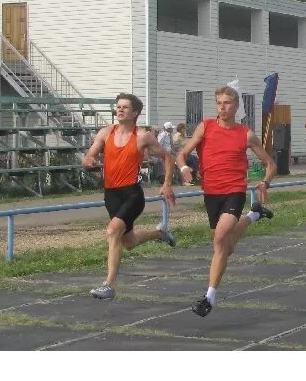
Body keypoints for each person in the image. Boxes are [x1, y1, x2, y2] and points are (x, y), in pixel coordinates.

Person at [177, 85, 276, 318]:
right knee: (225, 247)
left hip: (234, 190)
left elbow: (270, 164)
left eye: (227, 103)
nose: (222, 107)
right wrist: (183, 168)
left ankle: (209, 297)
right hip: (211, 193)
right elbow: (181, 154)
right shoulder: (206, 127)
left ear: (236, 106)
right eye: (219, 103)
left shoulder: (246, 134)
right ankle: (254, 215)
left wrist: (264, 182)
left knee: (221, 238)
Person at [82, 93, 177, 300]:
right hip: (111, 195)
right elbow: (90, 155)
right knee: (128, 242)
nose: (120, 110)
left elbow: (168, 157)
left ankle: (109, 285)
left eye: (125, 107)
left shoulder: (142, 136)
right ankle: (159, 234)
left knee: (112, 231)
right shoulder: (106, 133)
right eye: (118, 107)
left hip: (132, 194)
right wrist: (89, 160)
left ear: (135, 112)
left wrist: (167, 183)